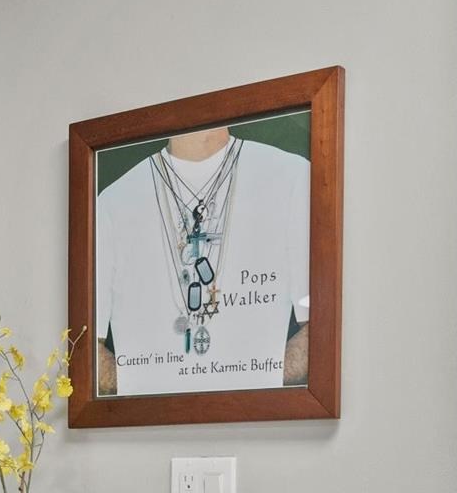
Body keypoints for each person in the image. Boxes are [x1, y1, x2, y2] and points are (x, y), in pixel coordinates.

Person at [92, 121, 311, 397]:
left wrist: (252, 376)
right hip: (151, 426)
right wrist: (148, 382)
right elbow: (86, 349)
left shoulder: (291, 176)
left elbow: (321, 330)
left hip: (261, 424)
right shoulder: (112, 202)